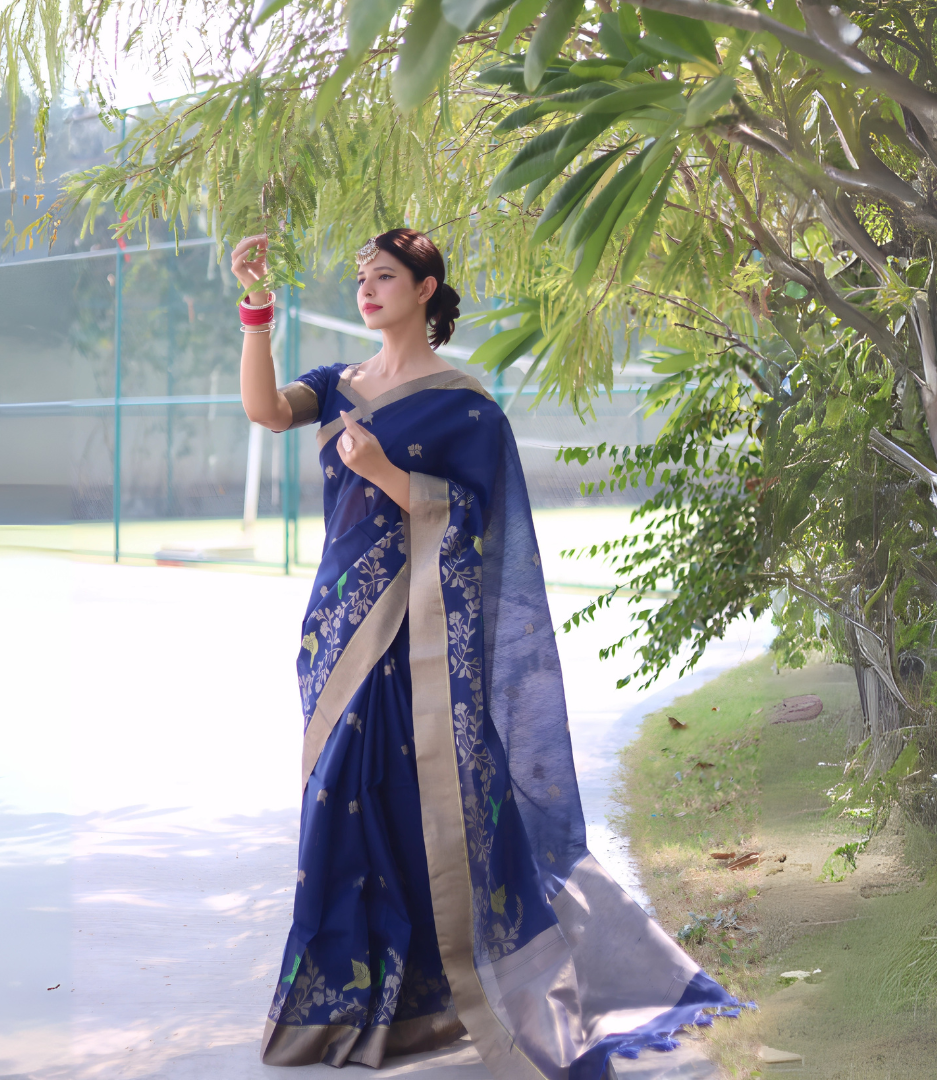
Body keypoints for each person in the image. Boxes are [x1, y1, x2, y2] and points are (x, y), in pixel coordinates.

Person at [230, 229, 739, 1079]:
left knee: (419, 802)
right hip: (336, 629)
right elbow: (266, 411)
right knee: (336, 805)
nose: (367, 288)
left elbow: (478, 527)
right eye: (361, 277)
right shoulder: (338, 386)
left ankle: (440, 997)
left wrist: (390, 475)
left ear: (426, 288)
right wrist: (255, 311)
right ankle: (349, 1005)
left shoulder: (465, 407)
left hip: (420, 639)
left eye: (384, 276)